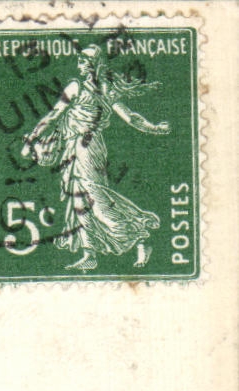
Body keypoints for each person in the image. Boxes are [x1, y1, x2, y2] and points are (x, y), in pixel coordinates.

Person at [21, 44, 171, 271]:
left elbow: (130, 117)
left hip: (89, 148)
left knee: (95, 198)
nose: (80, 65)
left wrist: (154, 128)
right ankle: (89, 253)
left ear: (95, 65)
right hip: (73, 147)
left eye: (84, 62)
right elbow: (54, 114)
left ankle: (140, 236)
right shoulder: (75, 86)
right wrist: (33, 136)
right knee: (78, 200)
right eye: (80, 61)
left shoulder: (107, 89)